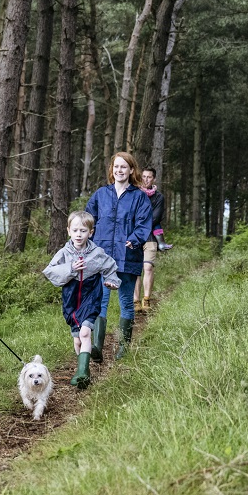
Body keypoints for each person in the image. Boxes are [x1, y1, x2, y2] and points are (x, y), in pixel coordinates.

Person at [85, 152, 152, 360]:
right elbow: (89, 218)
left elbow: (144, 223)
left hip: (127, 254)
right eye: (116, 167)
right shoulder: (101, 194)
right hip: (101, 256)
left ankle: (123, 348)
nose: (119, 170)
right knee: (100, 300)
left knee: (125, 300)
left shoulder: (139, 197)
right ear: (111, 170)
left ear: (132, 170)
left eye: (124, 167)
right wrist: (87, 235)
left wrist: (135, 238)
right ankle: (96, 347)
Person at [43, 211, 120, 388]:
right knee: (78, 339)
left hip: (91, 296)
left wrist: (112, 282)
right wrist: (70, 268)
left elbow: (110, 268)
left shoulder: (97, 252)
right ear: (69, 231)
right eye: (75, 230)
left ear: (90, 232)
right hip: (71, 299)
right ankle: (83, 367)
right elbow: (50, 272)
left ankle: (84, 373)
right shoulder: (63, 253)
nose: (79, 234)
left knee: (85, 333)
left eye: (83, 231)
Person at [134, 166, 172, 313]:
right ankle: (135, 301)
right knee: (136, 270)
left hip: (150, 236)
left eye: (149, 177)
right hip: (135, 237)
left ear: (154, 179)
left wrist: (140, 222)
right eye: (143, 177)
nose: (146, 180)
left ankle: (147, 299)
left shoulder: (159, 197)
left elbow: (155, 217)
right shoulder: (135, 194)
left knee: (148, 267)